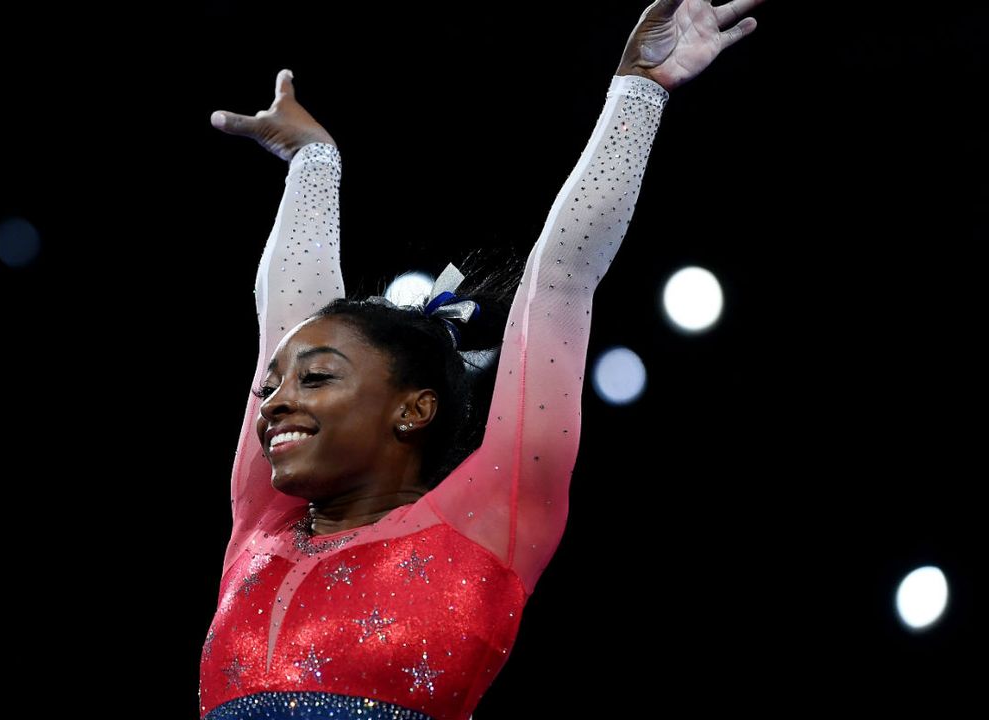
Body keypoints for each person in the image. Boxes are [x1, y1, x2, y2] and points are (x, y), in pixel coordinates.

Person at [199, 2, 764, 718]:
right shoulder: (260, 529)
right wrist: (314, 166)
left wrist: (639, 91)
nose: (274, 401)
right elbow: (284, 320)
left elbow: (561, 281)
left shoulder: (488, 523)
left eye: (316, 380)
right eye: (272, 386)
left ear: (413, 408)